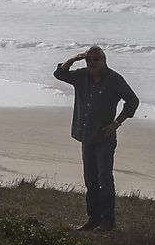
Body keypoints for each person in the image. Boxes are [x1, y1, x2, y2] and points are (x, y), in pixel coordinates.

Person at [54, 46, 140, 232]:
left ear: (104, 60)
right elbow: (59, 74)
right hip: (86, 136)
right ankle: (93, 219)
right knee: (90, 180)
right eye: (89, 60)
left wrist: (117, 123)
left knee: (104, 178)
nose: (91, 63)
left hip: (104, 138)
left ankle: (108, 222)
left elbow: (133, 101)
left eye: (95, 59)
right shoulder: (81, 76)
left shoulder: (114, 79)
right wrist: (75, 58)